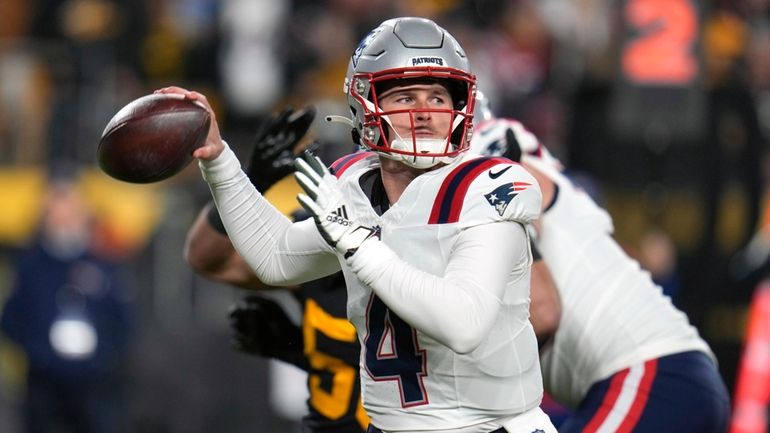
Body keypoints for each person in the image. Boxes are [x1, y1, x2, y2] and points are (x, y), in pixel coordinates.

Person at [167, 16, 556, 433]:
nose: (425, 113)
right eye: (406, 97)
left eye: (438, 97)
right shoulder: (354, 185)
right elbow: (275, 257)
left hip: (489, 426)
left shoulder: (488, 187)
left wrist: (356, 240)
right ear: (364, 105)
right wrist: (220, 160)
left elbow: (463, 323)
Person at [470, 115, 732, 432]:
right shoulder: (558, 197)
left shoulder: (495, 171)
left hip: (650, 376)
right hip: (662, 379)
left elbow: (542, 312)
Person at [185, 106, 368, 433]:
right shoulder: (320, 238)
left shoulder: (439, 250)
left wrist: (305, 353)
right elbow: (208, 259)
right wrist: (248, 181)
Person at [0, 170, 134, 433]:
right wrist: (41, 356)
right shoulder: (30, 267)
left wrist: (102, 358)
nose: (63, 217)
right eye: (56, 209)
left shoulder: (104, 265)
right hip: (43, 389)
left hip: (95, 388)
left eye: (69, 207)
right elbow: (10, 321)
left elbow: (123, 321)